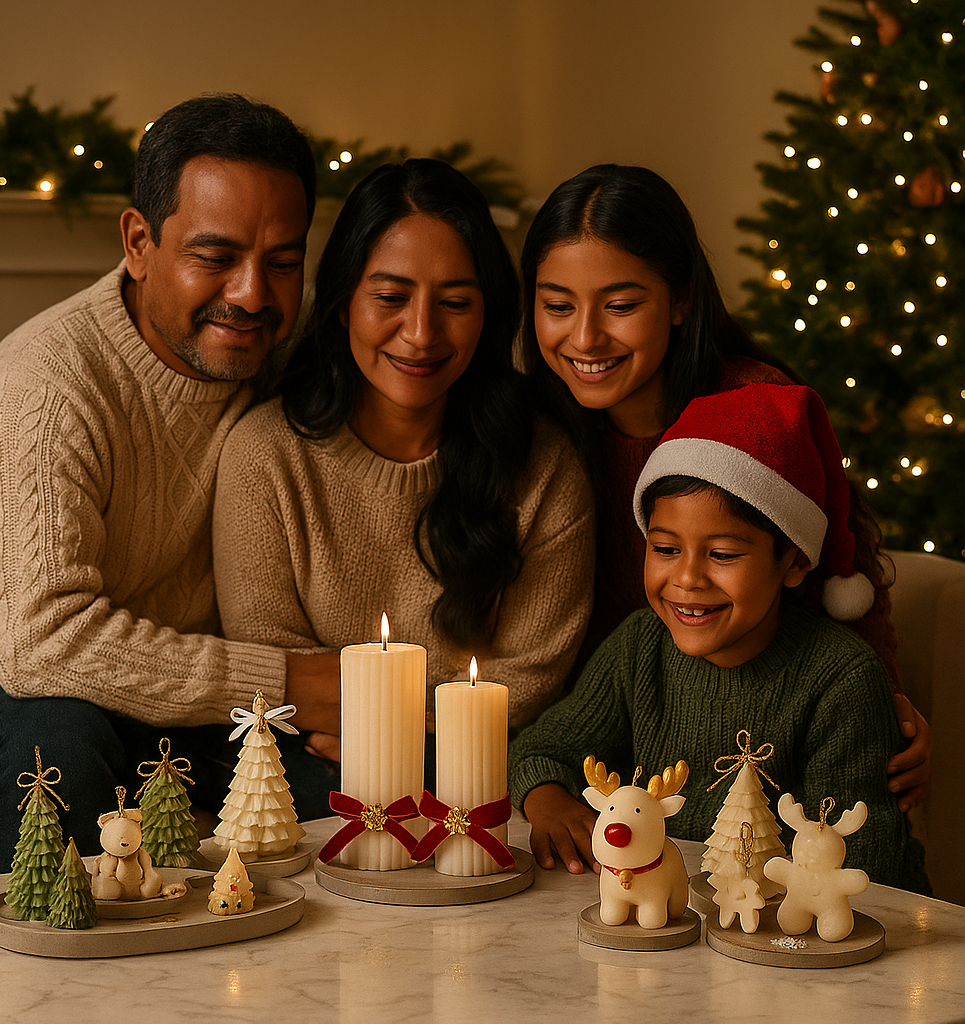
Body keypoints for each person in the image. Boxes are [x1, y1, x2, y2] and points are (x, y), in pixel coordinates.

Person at [0, 94, 317, 874]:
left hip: (189, 692)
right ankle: (14, 961)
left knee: (354, 778)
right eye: (216, 256)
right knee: (57, 750)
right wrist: (288, 682)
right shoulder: (46, 382)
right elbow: (42, 643)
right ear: (139, 242)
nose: (253, 293)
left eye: (283, 262)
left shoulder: (295, 366)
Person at [518, 164, 929, 810]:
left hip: (762, 736)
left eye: (621, 305)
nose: (586, 337)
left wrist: (886, 700)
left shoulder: (755, 411)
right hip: (609, 741)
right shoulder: (538, 428)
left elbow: (846, 566)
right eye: (558, 306)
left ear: (681, 300)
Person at [212, 159, 595, 817]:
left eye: (455, 303)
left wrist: (381, 735)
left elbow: (530, 679)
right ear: (342, 304)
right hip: (310, 759)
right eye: (390, 298)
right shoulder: (266, 455)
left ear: (488, 315)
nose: (421, 334)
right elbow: (272, 667)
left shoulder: (542, 464)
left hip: (477, 759)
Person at [508, 383, 930, 893]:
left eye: (723, 555)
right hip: (665, 915)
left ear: (795, 562)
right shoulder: (640, 645)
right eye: (665, 549)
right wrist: (549, 801)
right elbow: (540, 750)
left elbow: (865, 871)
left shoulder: (840, 680)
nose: (687, 578)